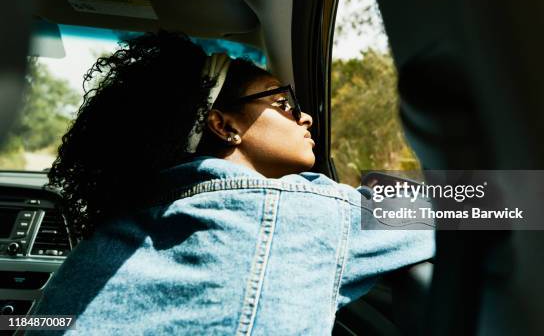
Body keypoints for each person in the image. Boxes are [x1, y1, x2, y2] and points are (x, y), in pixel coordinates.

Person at [31, 31, 434, 335]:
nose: (305, 117)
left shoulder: (104, 239)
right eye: (282, 103)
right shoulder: (297, 210)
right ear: (224, 125)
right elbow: (476, 203)